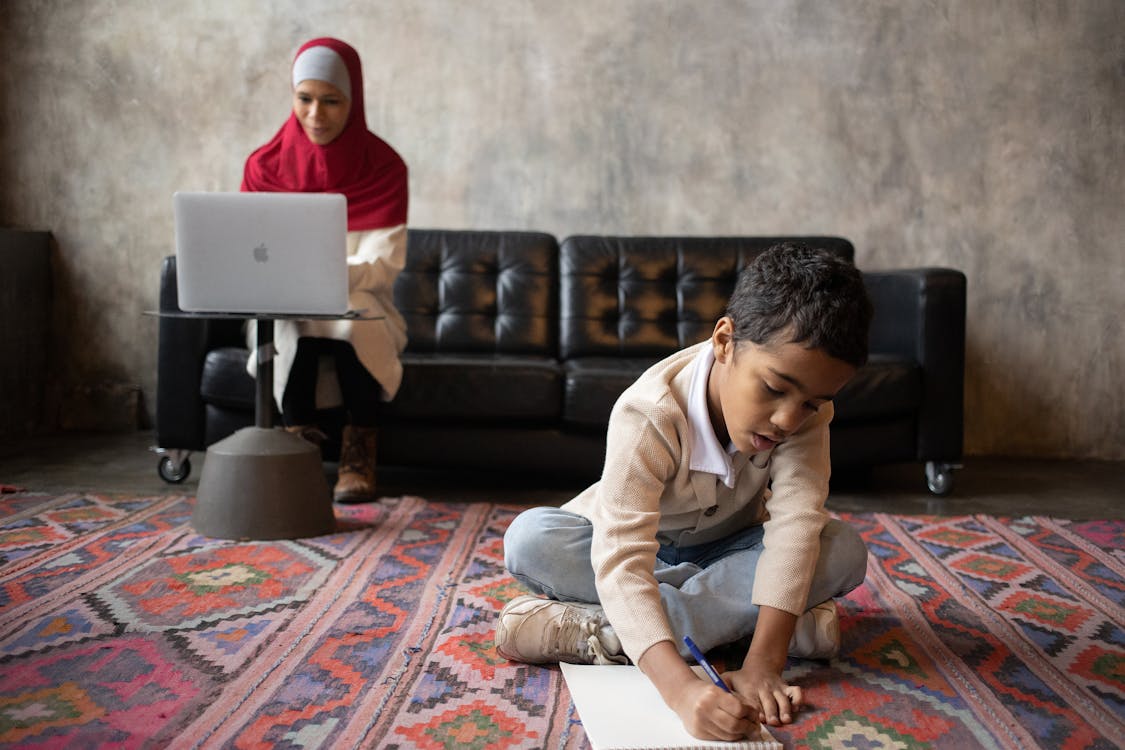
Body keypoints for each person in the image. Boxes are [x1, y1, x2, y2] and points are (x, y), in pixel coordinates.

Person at [496, 243, 873, 742]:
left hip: (732, 547)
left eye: (811, 403)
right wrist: (680, 691)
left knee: (843, 549)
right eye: (775, 389)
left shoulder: (808, 415)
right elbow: (622, 559)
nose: (788, 419)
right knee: (529, 539)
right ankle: (755, 618)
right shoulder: (649, 411)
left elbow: (796, 526)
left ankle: (609, 633)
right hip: (636, 550)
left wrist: (764, 663)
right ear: (724, 341)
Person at [241, 37, 409, 503]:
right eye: (305, 99)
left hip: (360, 301)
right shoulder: (263, 167)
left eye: (331, 101)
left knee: (351, 311)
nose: (316, 114)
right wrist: (298, 283)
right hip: (282, 304)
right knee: (294, 317)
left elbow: (383, 263)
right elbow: (249, 252)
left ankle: (359, 452)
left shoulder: (385, 167)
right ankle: (298, 448)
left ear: (353, 100)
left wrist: (320, 276)